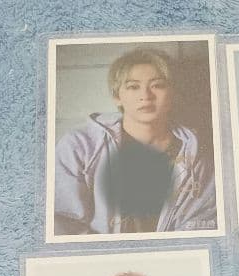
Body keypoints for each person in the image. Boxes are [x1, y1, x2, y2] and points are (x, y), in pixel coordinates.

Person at [53, 46, 218, 236]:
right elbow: (62, 221)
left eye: (157, 85)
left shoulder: (198, 155)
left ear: (172, 93)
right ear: (117, 97)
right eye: (133, 87)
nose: (145, 96)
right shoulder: (79, 146)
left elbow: (200, 227)